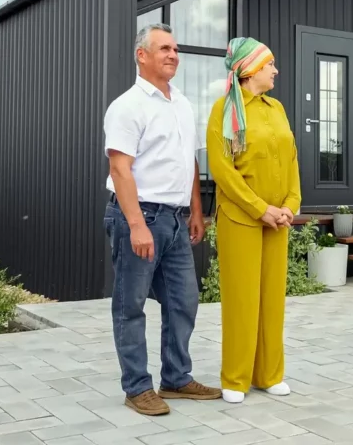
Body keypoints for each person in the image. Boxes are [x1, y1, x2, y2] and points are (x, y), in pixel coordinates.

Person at [103, 23, 223, 416]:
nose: (173, 55)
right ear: (142, 55)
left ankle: (176, 377)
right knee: (130, 304)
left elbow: (189, 160)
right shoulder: (127, 106)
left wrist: (196, 211)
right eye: (164, 48)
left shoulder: (183, 105)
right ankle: (137, 387)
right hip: (140, 215)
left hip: (174, 218)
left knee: (183, 300)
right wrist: (136, 224)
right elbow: (121, 169)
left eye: (175, 49)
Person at [206, 36, 300, 404]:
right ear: (250, 70)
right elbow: (222, 170)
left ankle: (269, 374)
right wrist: (260, 208)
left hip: (279, 221)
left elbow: (291, 158)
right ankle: (235, 379)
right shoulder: (223, 111)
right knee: (242, 301)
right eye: (270, 65)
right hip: (242, 219)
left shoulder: (276, 108)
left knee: (272, 300)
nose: (276, 70)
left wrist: (291, 203)